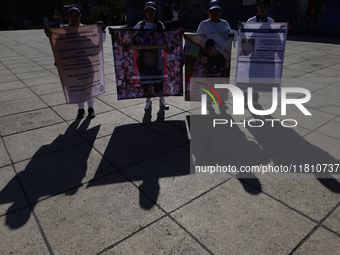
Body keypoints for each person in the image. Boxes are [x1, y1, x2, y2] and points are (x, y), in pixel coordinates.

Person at [45, 4, 106, 119]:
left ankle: (91, 108)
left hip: (87, 65)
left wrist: (101, 30)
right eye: (71, 15)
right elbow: (58, 47)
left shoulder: (87, 30)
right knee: (76, 86)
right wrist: (49, 34)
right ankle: (81, 109)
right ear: (67, 17)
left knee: (88, 86)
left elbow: (98, 44)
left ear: (80, 16)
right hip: (72, 66)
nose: (74, 17)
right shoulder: (63, 32)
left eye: (76, 15)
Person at [237, 0, 291, 105]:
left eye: (265, 6)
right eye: (261, 6)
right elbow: (245, 36)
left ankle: (255, 97)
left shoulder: (270, 21)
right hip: (253, 53)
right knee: (251, 75)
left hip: (264, 53)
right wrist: (240, 28)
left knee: (260, 75)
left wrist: (286, 29)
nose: (262, 8)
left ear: (268, 9)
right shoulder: (251, 21)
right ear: (257, 8)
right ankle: (246, 97)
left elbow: (275, 36)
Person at [196, 0, 232, 108]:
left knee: (220, 80)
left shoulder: (225, 24)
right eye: (213, 10)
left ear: (220, 11)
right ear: (209, 11)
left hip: (220, 57)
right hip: (208, 58)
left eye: (217, 10)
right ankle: (208, 101)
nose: (215, 13)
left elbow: (229, 37)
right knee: (208, 80)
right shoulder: (204, 24)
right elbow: (197, 38)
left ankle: (221, 100)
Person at [134, 1, 169, 112]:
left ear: (155, 12)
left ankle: (162, 99)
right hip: (144, 58)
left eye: (152, 10)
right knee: (146, 80)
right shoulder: (141, 25)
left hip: (158, 57)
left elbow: (167, 37)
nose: (150, 12)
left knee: (159, 79)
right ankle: (148, 101)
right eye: (148, 10)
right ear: (145, 12)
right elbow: (129, 35)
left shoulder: (160, 25)